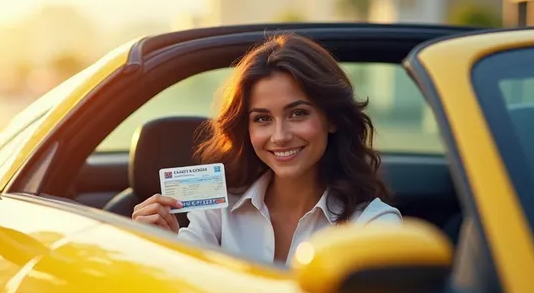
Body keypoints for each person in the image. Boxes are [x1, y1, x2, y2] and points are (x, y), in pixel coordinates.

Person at [131, 33, 402, 265]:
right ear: (246, 129)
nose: (280, 136)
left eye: (298, 113)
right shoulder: (220, 203)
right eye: (262, 119)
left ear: (331, 119)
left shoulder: (373, 225)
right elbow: (185, 285)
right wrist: (155, 244)